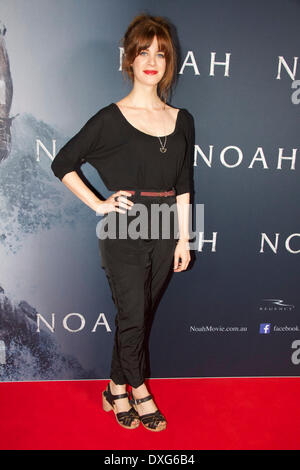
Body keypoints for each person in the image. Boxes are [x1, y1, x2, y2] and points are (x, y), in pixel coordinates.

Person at [51, 13, 195, 432]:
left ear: (169, 63)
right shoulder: (110, 118)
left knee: (139, 317)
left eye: (161, 53)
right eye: (144, 51)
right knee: (133, 316)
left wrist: (183, 239)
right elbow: (63, 163)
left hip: (167, 227)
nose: (152, 60)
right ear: (129, 59)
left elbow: (184, 183)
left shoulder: (182, 119)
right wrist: (97, 204)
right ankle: (140, 390)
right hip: (125, 227)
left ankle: (114, 389)